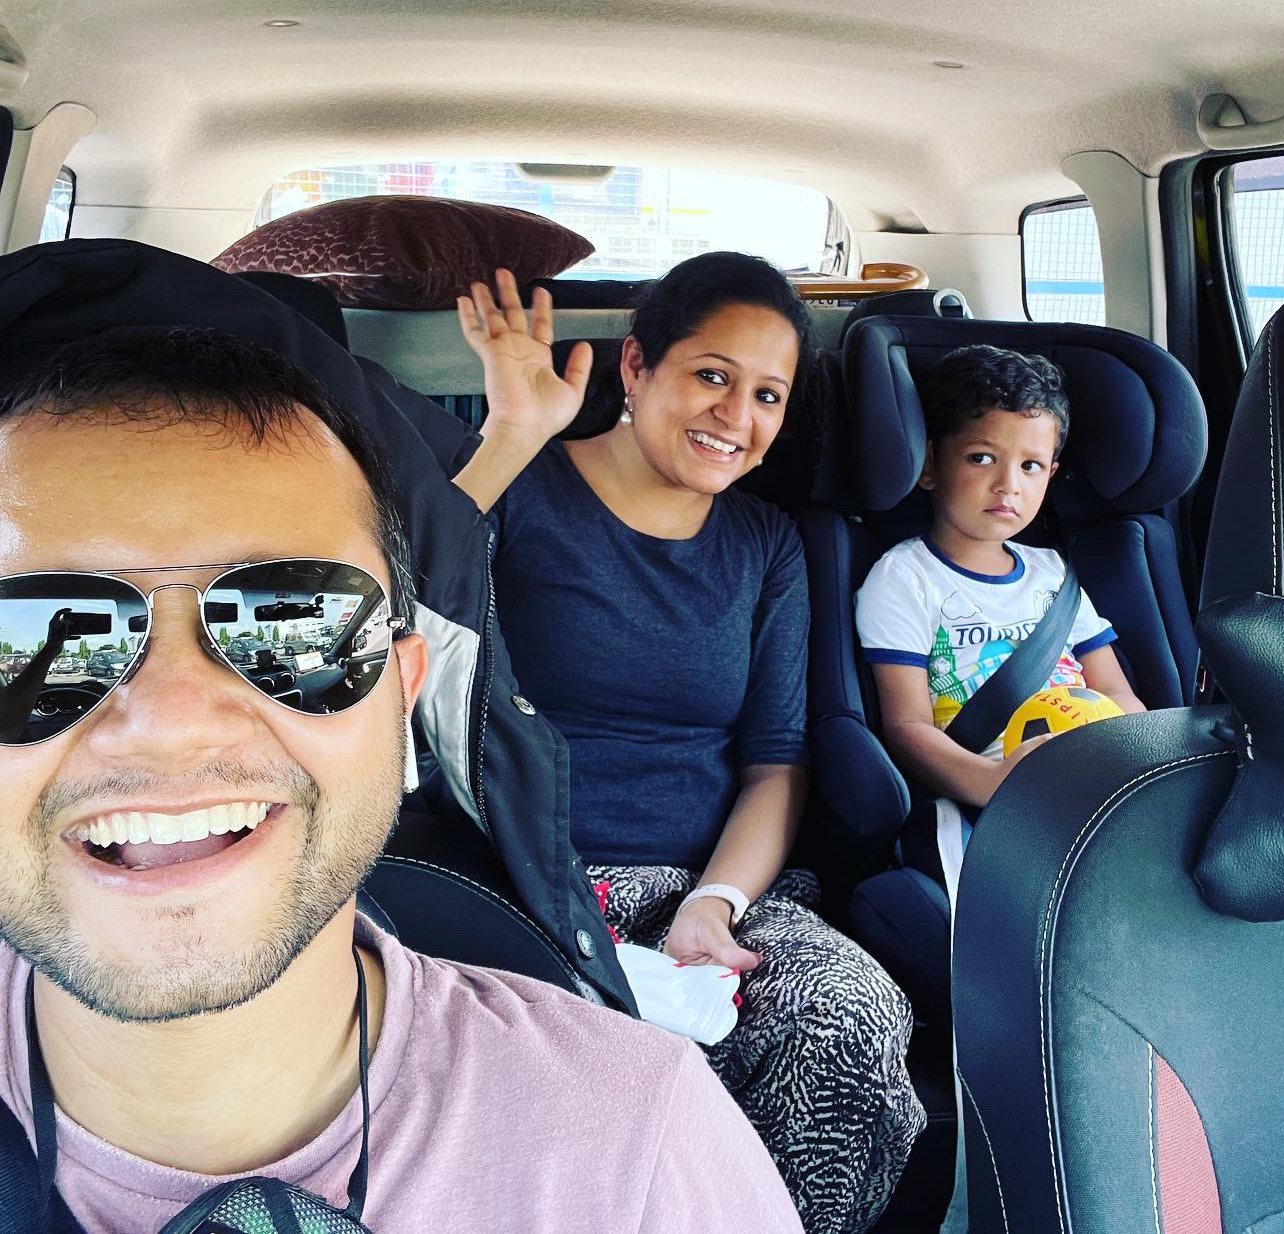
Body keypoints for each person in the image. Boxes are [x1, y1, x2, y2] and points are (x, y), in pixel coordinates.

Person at [0, 327, 802, 1233]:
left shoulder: (644, 1148)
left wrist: (717, 899)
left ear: (403, 696)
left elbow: (782, 754)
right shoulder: (541, 503)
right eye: (32, 640)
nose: (171, 724)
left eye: (296, 625)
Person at [453, 255, 924, 1234]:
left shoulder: (767, 542)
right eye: (712, 375)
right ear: (636, 366)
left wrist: (714, 905)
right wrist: (507, 439)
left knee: (851, 1018)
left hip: (710, 889)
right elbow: (398, 623)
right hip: (524, 883)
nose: (736, 417)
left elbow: (775, 762)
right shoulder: (520, 491)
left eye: (768, 395)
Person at [856, 344, 1144, 857]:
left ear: (1050, 476)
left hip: (1092, 776)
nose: (1008, 485)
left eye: (1031, 466)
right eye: (982, 458)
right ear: (930, 464)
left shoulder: (1053, 574)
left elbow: (1116, 692)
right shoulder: (904, 578)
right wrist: (990, 782)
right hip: (983, 792)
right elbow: (907, 726)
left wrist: (1120, 759)